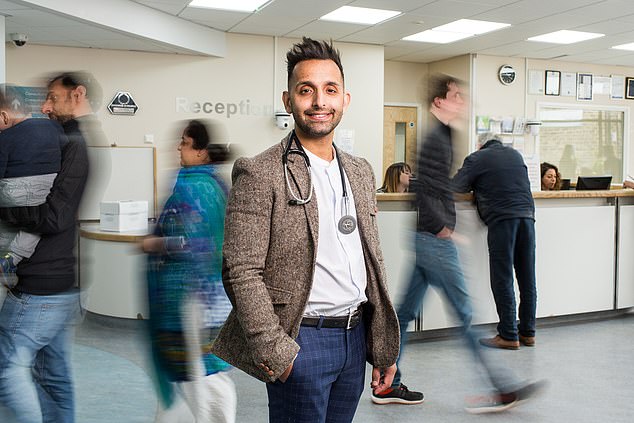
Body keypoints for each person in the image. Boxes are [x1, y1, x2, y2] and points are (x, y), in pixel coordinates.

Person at [210, 37, 399, 423]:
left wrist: (379, 346)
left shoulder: (360, 172)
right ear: (288, 100)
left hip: (355, 336)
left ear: (345, 99)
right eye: (306, 90)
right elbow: (240, 269)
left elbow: (371, 262)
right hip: (301, 338)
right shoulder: (261, 172)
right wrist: (275, 350)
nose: (319, 102)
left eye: (330, 90)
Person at [0, 72, 94, 423]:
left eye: (52, 98)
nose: (45, 106)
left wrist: (4, 210)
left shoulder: (75, 146)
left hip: (42, 286)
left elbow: (53, 217)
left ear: (77, 95)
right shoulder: (62, 139)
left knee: (5, 370)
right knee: (52, 376)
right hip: (58, 283)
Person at [144, 120, 236, 423]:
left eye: (184, 142)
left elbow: (193, 242)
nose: (178, 148)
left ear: (201, 151)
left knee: (200, 374)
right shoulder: (215, 183)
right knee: (195, 372)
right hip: (212, 295)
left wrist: (155, 242)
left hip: (192, 298)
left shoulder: (192, 185)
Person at [453, 134, 537, 351]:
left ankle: (508, 335)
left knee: (503, 277)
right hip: (527, 217)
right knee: (527, 277)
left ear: (480, 144)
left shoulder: (478, 157)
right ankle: (528, 332)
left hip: (502, 219)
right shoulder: (516, 155)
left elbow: (457, 186)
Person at [0, 85, 68, 287]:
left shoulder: (4, 137)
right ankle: (13, 257)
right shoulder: (55, 128)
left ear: (4, 116)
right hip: (47, 185)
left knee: (6, 225)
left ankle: (4, 256)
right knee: (35, 226)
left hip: (14, 187)